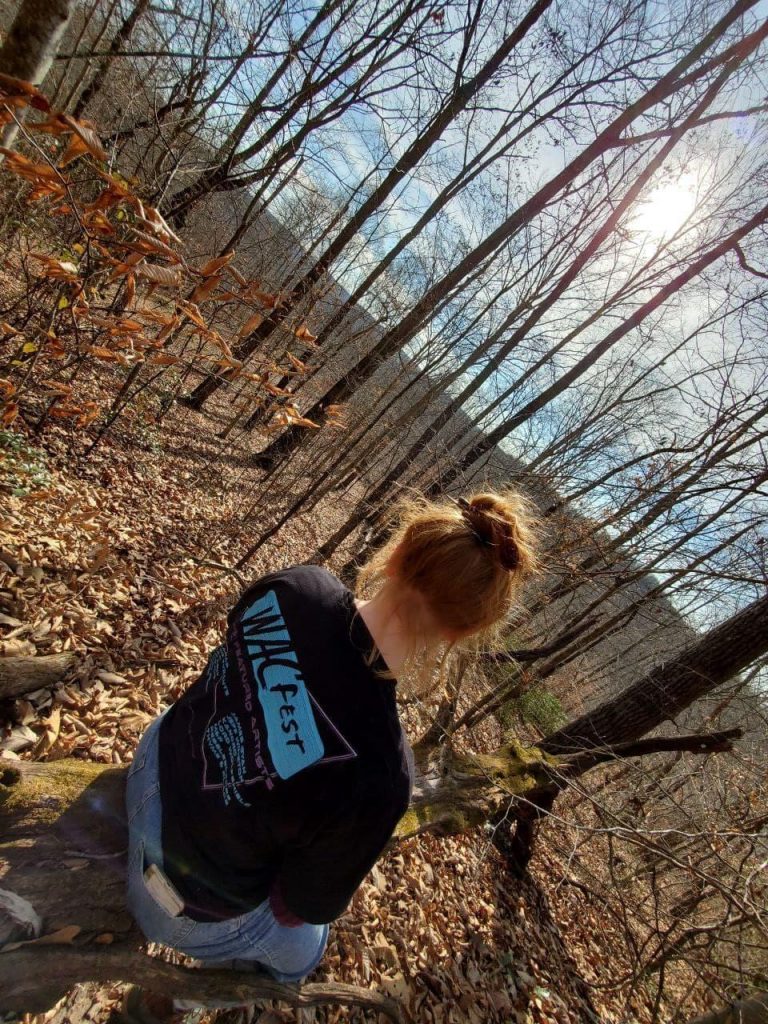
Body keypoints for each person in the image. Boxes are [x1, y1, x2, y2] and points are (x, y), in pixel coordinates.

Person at [122, 490, 537, 1020]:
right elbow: (296, 907)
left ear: (398, 551)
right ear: (461, 632)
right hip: (170, 901)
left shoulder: (298, 585)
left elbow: (225, 662)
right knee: (305, 951)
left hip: (150, 767)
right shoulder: (384, 774)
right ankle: (176, 1000)